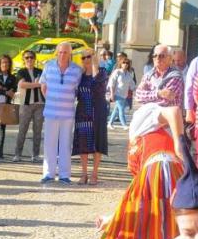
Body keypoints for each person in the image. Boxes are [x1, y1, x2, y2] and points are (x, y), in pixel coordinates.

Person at [72, 101, 188, 239]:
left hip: (162, 172)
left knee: (157, 238)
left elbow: (173, 111)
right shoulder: (147, 129)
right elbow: (135, 198)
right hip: (163, 179)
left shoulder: (143, 115)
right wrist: (113, 217)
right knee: (166, 236)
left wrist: (180, 143)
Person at [39, 41, 84, 184]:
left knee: (65, 145)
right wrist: (53, 100)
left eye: (65, 52)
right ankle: (48, 173)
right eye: (60, 52)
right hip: (51, 112)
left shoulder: (77, 70)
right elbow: (43, 87)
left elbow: (77, 91)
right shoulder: (48, 66)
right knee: (49, 144)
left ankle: (64, 174)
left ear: (70, 53)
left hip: (68, 114)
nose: (62, 55)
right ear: (57, 52)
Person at [72, 49, 108, 185]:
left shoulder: (102, 72)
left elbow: (95, 84)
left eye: (89, 56)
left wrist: (94, 65)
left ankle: (94, 173)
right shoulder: (79, 75)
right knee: (83, 142)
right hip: (82, 112)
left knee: (97, 141)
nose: (86, 59)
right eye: (84, 58)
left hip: (97, 111)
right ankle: (84, 173)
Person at [13, 51, 44, 162]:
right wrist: (37, 84)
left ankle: (35, 155)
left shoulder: (40, 71)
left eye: (31, 57)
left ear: (34, 59)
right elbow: (22, 84)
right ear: (24, 60)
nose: (29, 59)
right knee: (22, 130)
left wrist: (34, 85)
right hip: (26, 105)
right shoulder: (21, 71)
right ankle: (17, 154)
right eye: (27, 58)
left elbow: (45, 84)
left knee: (38, 130)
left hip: (40, 104)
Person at [106, 54, 136, 128]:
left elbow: (132, 85)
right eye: (124, 63)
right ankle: (124, 125)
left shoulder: (129, 74)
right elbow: (111, 83)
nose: (125, 64)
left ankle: (110, 123)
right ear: (121, 64)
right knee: (121, 109)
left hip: (124, 95)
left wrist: (137, 91)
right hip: (117, 94)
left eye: (127, 63)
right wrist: (112, 94)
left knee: (116, 110)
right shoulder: (117, 72)